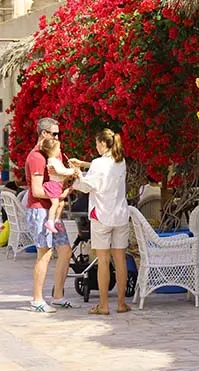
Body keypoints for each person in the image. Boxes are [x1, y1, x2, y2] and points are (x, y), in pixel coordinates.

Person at [71, 128, 131, 316]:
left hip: (101, 216)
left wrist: (77, 174)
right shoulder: (121, 162)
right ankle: (121, 303)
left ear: (103, 144)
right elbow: (105, 167)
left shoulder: (98, 164)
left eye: (97, 143)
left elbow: (86, 186)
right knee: (120, 260)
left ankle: (103, 305)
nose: (96, 147)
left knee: (103, 261)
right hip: (120, 216)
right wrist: (84, 164)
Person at [25, 117, 73, 313]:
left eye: (58, 134)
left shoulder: (53, 154)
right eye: (54, 134)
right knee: (44, 254)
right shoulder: (37, 157)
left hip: (53, 211)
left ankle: (58, 296)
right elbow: (36, 191)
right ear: (43, 134)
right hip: (40, 210)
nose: (57, 137)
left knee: (65, 250)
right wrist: (59, 194)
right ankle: (37, 299)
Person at [40, 138, 79, 234]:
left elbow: (62, 171)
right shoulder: (52, 160)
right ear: (52, 150)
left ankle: (57, 220)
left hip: (58, 186)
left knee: (60, 204)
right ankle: (50, 222)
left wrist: (70, 169)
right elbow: (60, 171)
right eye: (58, 148)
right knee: (55, 204)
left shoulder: (55, 160)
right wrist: (72, 171)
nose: (60, 150)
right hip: (54, 185)